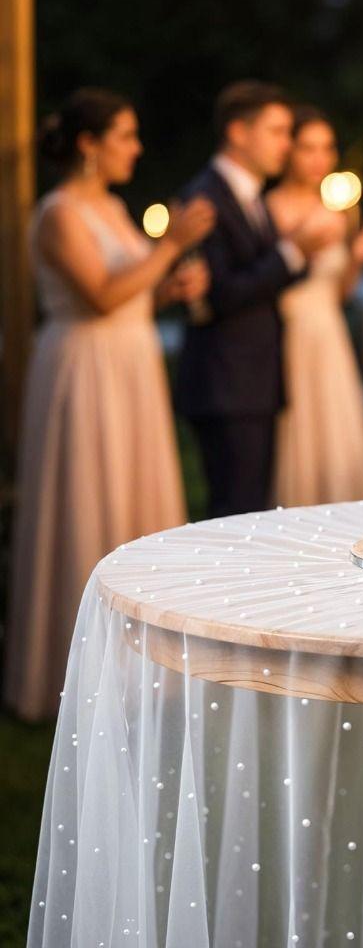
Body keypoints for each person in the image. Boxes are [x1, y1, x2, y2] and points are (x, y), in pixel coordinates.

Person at [4, 88, 215, 721]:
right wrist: (171, 246)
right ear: (89, 144)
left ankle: (138, 669)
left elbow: (131, 291)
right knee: (87, 498)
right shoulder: (58, 214)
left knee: (130, 495)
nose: (137, 148)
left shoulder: (115, 208)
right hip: (84, 368)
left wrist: (169, 287)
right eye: (125, 135)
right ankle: (73, 673)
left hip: (129, 364)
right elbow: (99, 295)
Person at [175, 81, 340, 518]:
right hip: (227, 380)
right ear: (238, 132)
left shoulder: (249, 194)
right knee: (234, 514)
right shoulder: (206, 197)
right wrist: (293, 251)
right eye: (277, 131)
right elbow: (220, 293)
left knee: (251, 509)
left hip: (254, 381)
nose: (286, 144)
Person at [266, 106, 363, 505]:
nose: (319, 158)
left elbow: (340, 293)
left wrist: (357, 257)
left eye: (327, 148)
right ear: (289, 150)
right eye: (308, 148)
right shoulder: (269, 209)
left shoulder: (335, 211)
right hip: (290, 328)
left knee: (335, 423)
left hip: (329, 329)